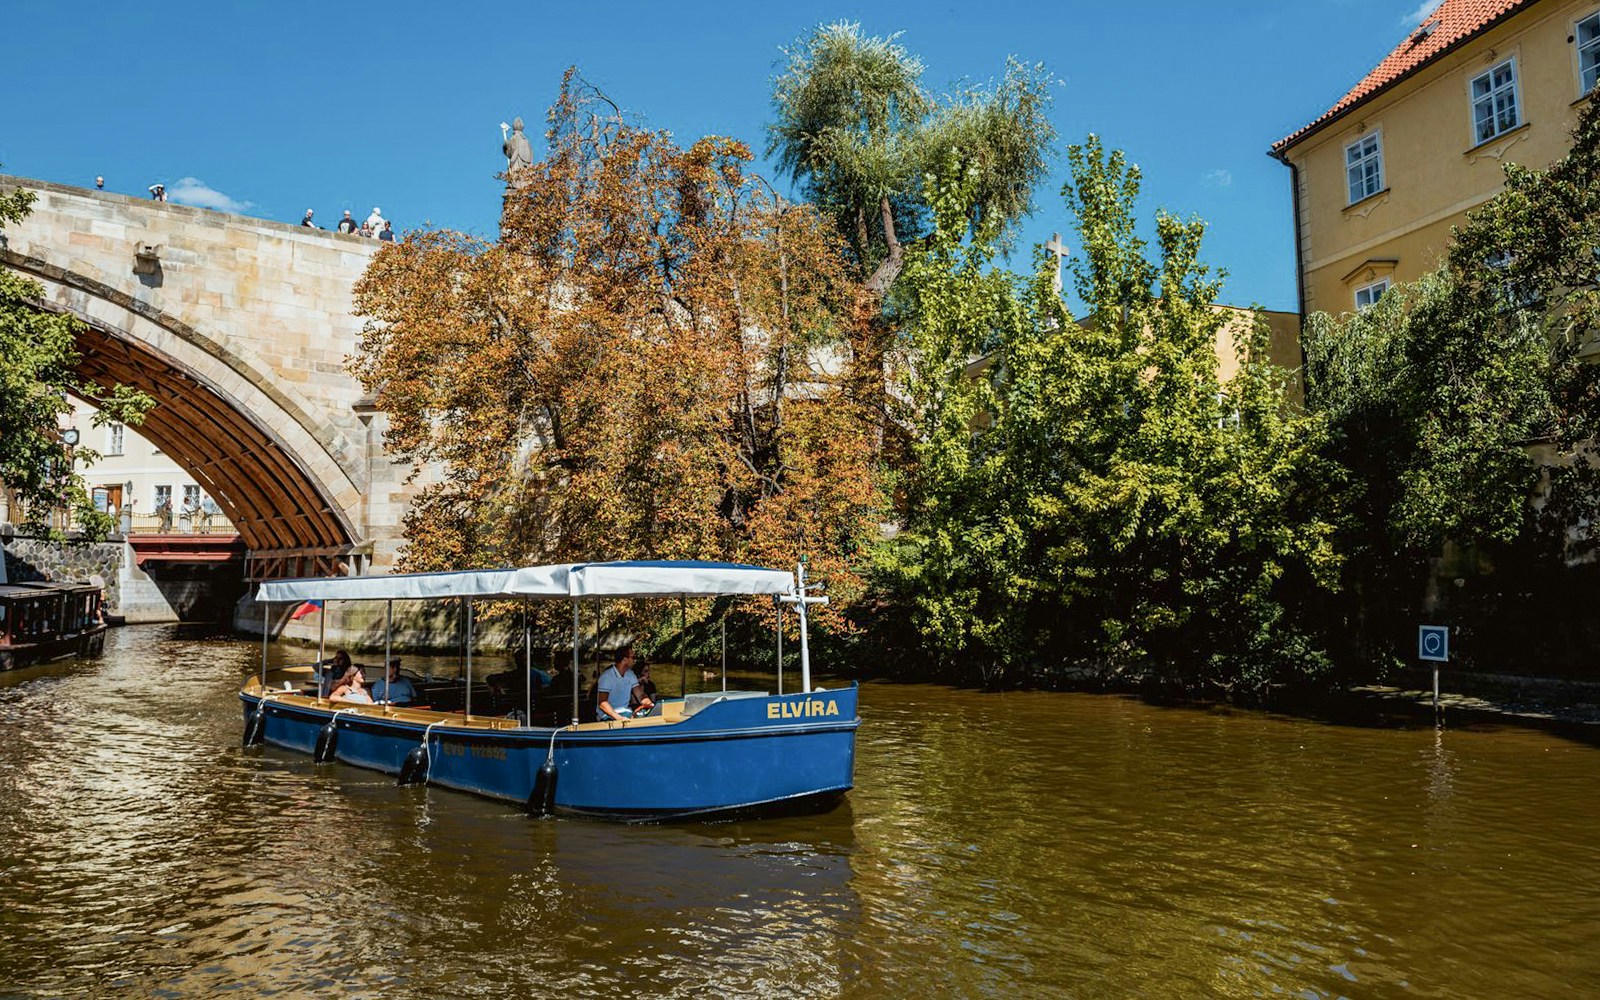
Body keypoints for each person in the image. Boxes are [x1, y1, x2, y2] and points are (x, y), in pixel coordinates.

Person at [596, 645, 651, 723]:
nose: (634, 660)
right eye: (633, 657)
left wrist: (648, 703)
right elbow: (602, 703)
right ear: (625, 660)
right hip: (607, 716)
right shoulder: (607, 677)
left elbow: (640, 695)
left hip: (626, 713)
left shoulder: (631, 674)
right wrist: (619, 718)